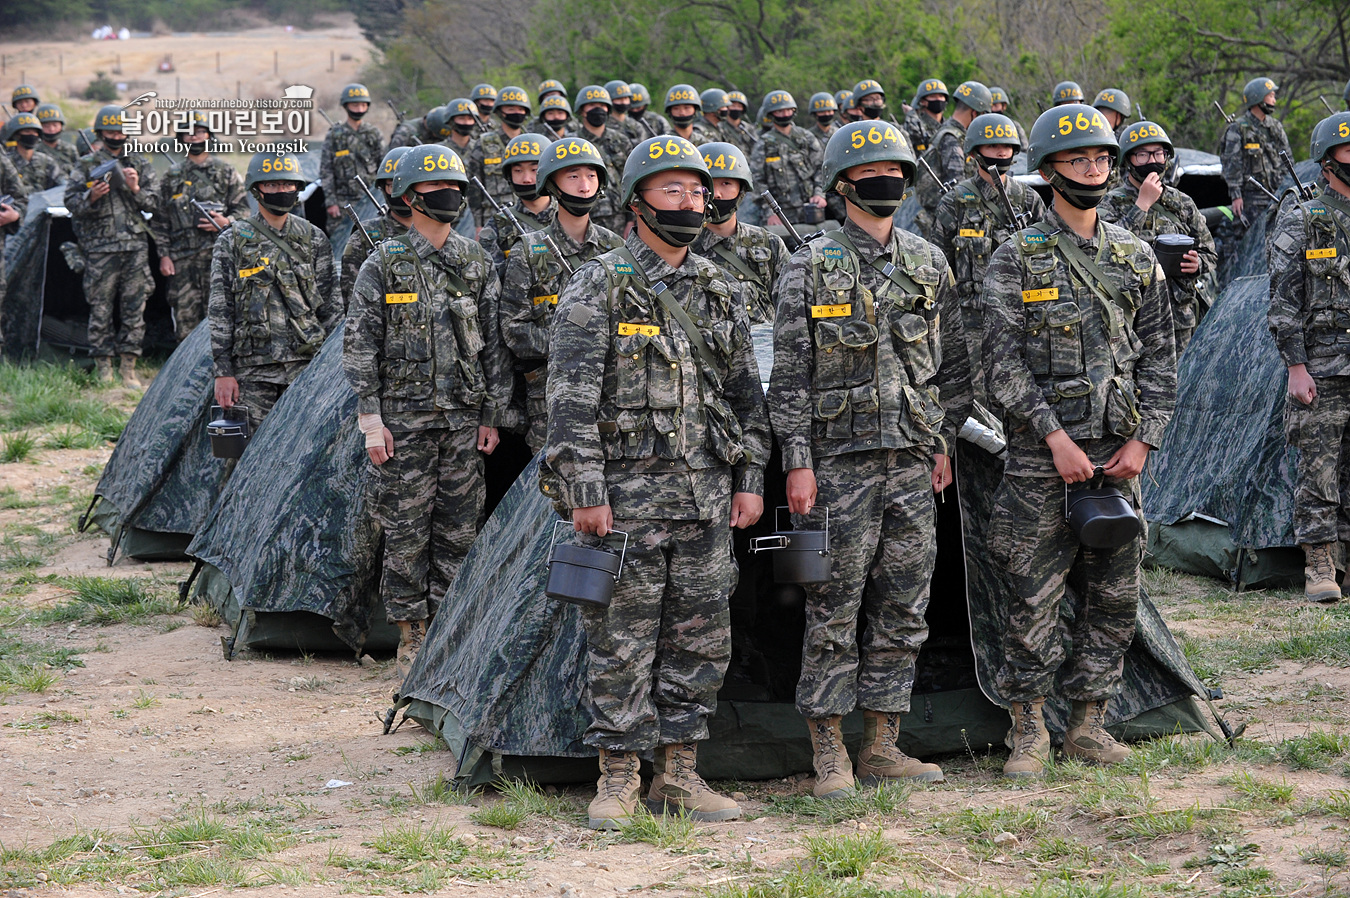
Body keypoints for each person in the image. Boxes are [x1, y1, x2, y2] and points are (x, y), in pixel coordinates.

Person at [544, 135, 770, 829]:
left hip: (704, 501)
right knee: (620, 641)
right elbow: (570, 398)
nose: (691, 202)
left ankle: (679, 775)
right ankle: (617, 777)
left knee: (700, 641)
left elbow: (745, 399)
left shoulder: (719, 287)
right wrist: (585, 491)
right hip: (626, 507)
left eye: (698, 191)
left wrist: (749, 478)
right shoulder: (601, 282)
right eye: (673, 191)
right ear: (637, 201)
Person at [767, 118, 971, 798]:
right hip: (837, 466)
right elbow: (789, 378)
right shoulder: (808, 263)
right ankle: (829, 753)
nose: (886, 181)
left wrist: (941, 441)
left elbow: (952, 367)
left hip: (912, 462)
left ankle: (883, 742)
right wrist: (797, 461)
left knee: (904, 606)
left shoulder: (927, 260)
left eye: (895, 171)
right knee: (833, 607)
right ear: (842, 185)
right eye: (871, 173)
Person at [982, 104, 1176, 778]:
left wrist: (1145, 441)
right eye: (1077, 161)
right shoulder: (1015, 258)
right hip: (1044, 459)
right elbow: (999, 364)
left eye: (1100, 159)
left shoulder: (1135, 254)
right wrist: (1053, 437)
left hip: (1119, 454)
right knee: (1033, 596)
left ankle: (1089, 725)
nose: (1093, 170)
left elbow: (1160, 355)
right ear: (1048, 171)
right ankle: (1029, 731)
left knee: (1114, 595)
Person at [345, 144, 512, 675]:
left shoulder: (475, 261)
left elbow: (495, 345)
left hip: (463, 422)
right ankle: (411, 636)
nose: (452, 197)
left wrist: (491, 414)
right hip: (403, 421)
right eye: (441, 189)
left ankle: (448, 630)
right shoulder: (384, 263)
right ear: (412, 197)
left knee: (459, 529)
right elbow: (360, 346)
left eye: (458, 188)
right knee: (405, 529)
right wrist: (371, 422)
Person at [1268, 112, 1350, 603]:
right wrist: (1295, 366)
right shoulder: (1301, 219)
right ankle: (1320, 564)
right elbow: (1282, 301)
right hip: (1321, 367)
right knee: (1318, 470)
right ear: (1327, 161)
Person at [498, 137, 622, 452]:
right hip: (549, 396)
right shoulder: (527, 250)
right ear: (551, 184)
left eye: (591, 176)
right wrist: (572, 343)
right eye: (573, 176)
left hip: (612, 393)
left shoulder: (616, 249)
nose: (584, 186)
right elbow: (512, 329)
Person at [208, 152, 340, 432]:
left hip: (307, 367)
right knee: (242, 457)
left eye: (287, 184)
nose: (281, 191)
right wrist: (223, 373)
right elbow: (221, 310)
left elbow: (330, 307)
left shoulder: (314, 237)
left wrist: (332, 367)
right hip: (253, 373)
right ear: (257, 190)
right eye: (272, 185)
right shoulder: (232, 239)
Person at [933, 112, 1046, 406]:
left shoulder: (1029, 199)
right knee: (976, 404)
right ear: (974, 152)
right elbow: (940, 269)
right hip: (972, 324)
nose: (1000, 152)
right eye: (992, 145)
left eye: (1006, 146)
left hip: (1023, 322)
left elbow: (1047, 263)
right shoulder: (955, 201)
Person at [1099, 121, 1217, 354]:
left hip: (1179, 318)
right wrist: (1141, 205)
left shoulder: (1181, 202)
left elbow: (1210, 252)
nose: (1152, 160)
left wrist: (1197, 264)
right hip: (1132, 320)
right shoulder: (1110, 203)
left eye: (1158, 153)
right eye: (1142, 154)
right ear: (1128, 160)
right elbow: (1105, 255)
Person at [64, 105, 157, 385]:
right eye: (110, 131)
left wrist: (137, 189)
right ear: (100, 133)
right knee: (100, 307)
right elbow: (70, 202)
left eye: (120, 131)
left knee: (134, 307)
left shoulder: (139, 163)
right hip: (100, 248)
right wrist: (91, 197)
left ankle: (129, 367)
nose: (116, 136)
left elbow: (155, 203)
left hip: (134, 247)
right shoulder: (85, 165)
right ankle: (103, 366)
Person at [153, 111, 248, 342]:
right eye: (188, 133)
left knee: (223, 318)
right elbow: (159, 220)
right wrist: (164, 255)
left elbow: (245, 211)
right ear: (181, 139)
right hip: (182, 261)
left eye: (199, 132)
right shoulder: (170, 177)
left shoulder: (225, 172)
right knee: (185, 322)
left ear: (208, 136)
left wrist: (227, 222)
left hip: (219, 258)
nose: (194, 137)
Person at [693, 141, 788, 324]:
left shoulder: (769, 244)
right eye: (710, 185)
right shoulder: (683, 248)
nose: (717, 194)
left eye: (726, 183)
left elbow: (791, 306)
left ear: (741, 190)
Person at [916, 81, 993, 238]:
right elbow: (958, 188)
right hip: (947, 221)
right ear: (975, 112)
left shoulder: (946, 132)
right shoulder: (953, 138)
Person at [340, 146, 412, 310]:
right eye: (393, 185)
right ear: (383, 189)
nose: (402, 192)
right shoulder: (363, 237)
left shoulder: (437, 234)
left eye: (408, 185)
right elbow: (352, 301)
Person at [477, 132, 556, 279]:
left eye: (534, 170)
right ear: (509, 176)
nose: (527, 179)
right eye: (518, 171)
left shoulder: (569, 217)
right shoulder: (497, 226)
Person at [1220, 76, 1292, 225]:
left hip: (1278, 194)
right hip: (1251, 199)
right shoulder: (1238, 128)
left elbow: (1288, 161)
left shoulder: (1275, 127)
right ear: (1258, 98)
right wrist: (1236, 196)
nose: (1274, 100)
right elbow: (1232, 164)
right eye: (1270, 96)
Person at [749, 90, 826, 226]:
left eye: (788, 110)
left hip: (811, 209)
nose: (785, 115)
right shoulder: (763, 145)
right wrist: (770, 213)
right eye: (779, 112)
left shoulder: (806, 137)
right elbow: (757, 181)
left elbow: (821, 167)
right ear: (771, 114)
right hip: (781, 215)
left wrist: (819, 194)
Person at [568, 84, 634, 235]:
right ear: (582, 111)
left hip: (620, 219)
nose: (598, 110)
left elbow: (631, 179)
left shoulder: (621, 141)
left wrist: (632, 219)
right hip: (585, 218)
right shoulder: (570, 143)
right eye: (592, 105)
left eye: (602, 105)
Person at [466, 85, 532, 233]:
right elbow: (475, 188)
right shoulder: (484, 143)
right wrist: (478, 225)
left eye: (520, 109)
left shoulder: (534, 143)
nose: (516, 113)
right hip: (495, 219)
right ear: (500, 112)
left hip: (531, 217)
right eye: (511, 109)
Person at [320, 83, 384, 232]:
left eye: (363, 105)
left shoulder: (373, 134)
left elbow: (383, 168)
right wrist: (331, 202)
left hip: (370, 200)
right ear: (346, 105)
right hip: (343, 202)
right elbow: (326, 171)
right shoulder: (335, 136)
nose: (359, 109)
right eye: (355, 105)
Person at [3, 112, 62, 191]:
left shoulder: (47, 161)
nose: (32, 135)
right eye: (27, 131)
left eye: (35, 132)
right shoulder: (5, 163)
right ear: (16, 135)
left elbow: (62, 186)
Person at [904, 78, 948, 156]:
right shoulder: (915, 126)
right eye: (933, 96)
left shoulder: (949, 126)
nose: (938, 99)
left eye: (941, 96)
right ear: (923, 101)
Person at [34, 103, 79, 173]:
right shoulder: (34, 151)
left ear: (61, 126)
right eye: (46, 126)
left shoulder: (71, 150)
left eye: (55, 125)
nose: (51, 129)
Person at [988, 86, 1028, 151]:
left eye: (995, 106)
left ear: (1004, 106)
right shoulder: (979, 126)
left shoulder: (1014, 126)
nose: (992, 109)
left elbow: (1024, 149)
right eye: (990, 106)